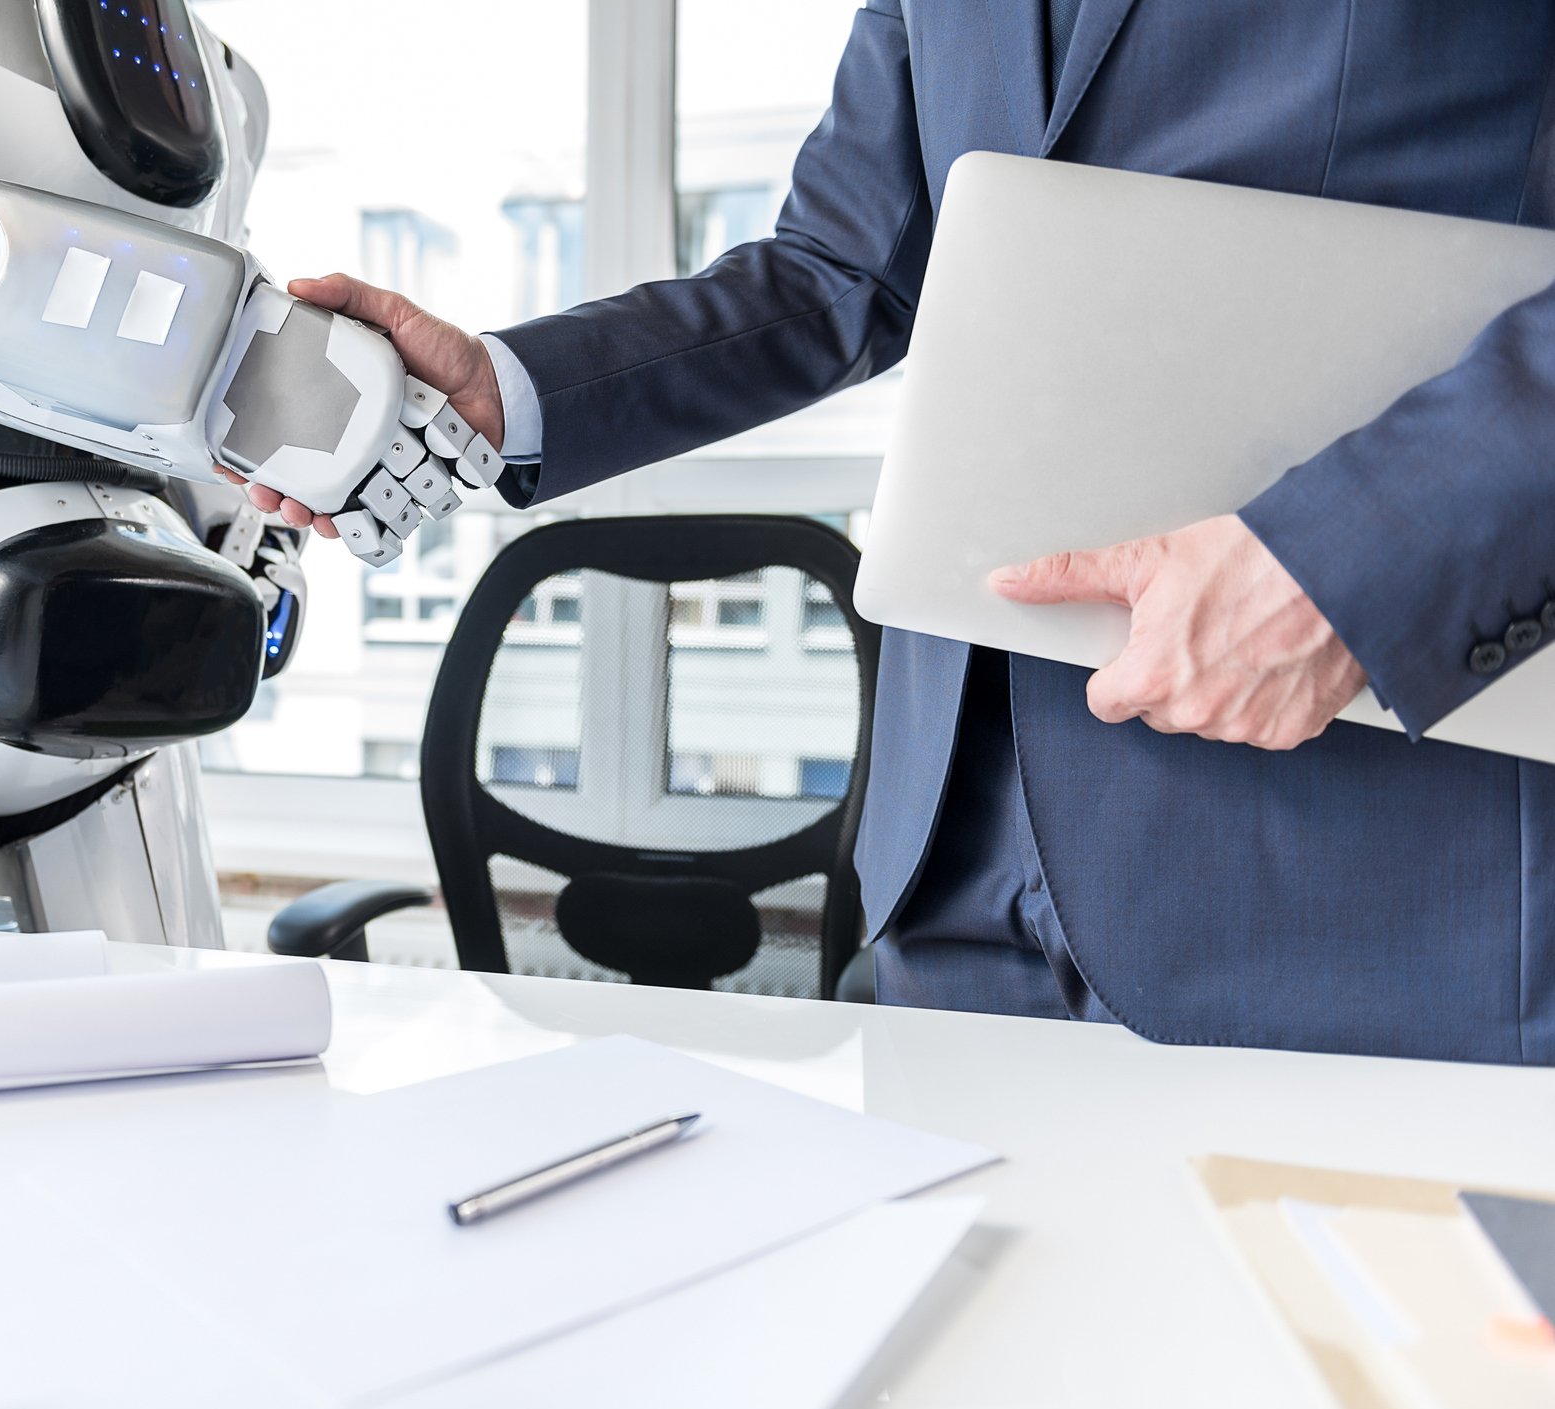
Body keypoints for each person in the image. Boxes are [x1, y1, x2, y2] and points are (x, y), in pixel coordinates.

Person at [226, 0, 1555, 1066]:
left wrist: (1345, 565)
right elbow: (839, 271)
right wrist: (508, 388)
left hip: (1375, 888)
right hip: (959, 878)